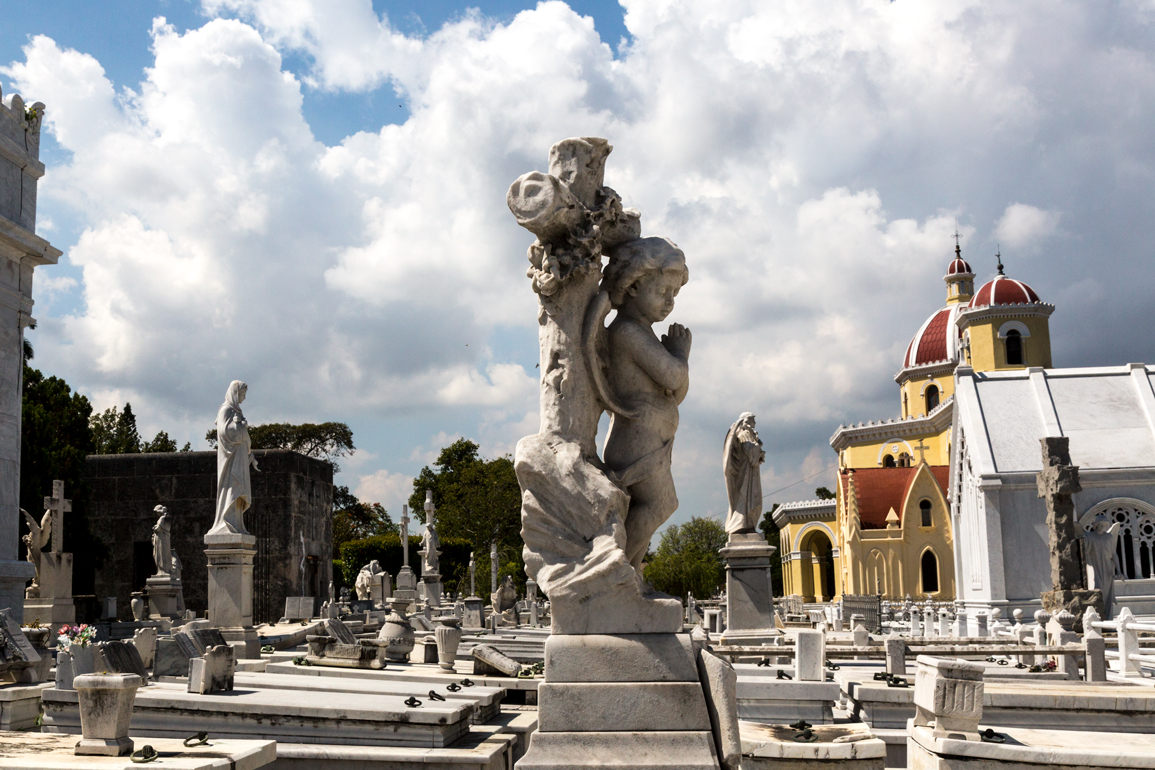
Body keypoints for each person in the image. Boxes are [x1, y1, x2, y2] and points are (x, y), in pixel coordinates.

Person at [599, 237, 691, 572]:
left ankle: (631, 573)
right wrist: (680, 354)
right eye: (663, 291)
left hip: (648, 440)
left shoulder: (643, 331)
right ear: (634, 286)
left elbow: (675, 394)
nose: (669, 302)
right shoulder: (627, 332)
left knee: (657, 505)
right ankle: (614, 571)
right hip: (635, 441)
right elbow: (673, 376)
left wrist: (678, 365)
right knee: (660, 504)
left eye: (674, 294)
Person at [209, 380, 259, 536]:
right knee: (231, 490)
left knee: (238, 492)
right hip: (231, 461)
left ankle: (236, 525)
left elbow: (244, 438)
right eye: (242, 394)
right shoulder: (225, 410)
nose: (244, 397)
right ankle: (226, 524)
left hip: (240, 458)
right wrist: (240, 426)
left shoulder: (237, 411)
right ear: (235, 393)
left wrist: (250, 455)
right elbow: (225, 433)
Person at [723, 413, 766, 534]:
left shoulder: (749, 434)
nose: (755, 423)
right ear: (747, 420)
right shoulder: (744, 434)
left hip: (750, 471)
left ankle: (748, 524)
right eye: (753, 420)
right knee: (746, 498)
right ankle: (741, 524)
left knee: (751, 498)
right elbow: (751, 453)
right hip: (746, 472)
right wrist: (758, 444)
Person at [1083, 513, 1122, 617]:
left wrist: (1119, 570)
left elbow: (1113, 554)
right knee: (1097, 590)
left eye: (1103, 524)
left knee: (1107, 593)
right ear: (1095, 524)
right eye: (1099, 524)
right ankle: (1097, 615)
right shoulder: (1089, 536)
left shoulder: (1109, 537)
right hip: (1095, 566)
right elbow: (1085, 551)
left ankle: (1108, 617)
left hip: (1107, 568)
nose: (1101, 526)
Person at [152, 505, 171, 576]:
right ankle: (164, 570)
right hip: (164, 538)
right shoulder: (166, 518)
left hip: (161, 538)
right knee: (163, 553)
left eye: (157, 512)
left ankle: (162, 571)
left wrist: (154, 528)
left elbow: (158, 528)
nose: (157, 513)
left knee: (161, 554)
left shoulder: (162, 518)